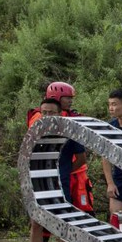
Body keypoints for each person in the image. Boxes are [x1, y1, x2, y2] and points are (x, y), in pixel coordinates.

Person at [28, 98, 86, 242]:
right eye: (44, 112)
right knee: (36, 222)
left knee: (62, 223)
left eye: (51, 112)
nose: (47, 116)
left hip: (60, 185)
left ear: (60, 113)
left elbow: (81, 158)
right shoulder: (34, 132)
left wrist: (66, 171)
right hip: (38, 183)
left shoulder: (70, 131)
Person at [28, 82, 94, 213]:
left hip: (73, 170)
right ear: (56, 97)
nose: (70, 101)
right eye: (67, 98)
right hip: (50, 170)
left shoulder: (71, 116)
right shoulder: (38, 116)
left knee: (81, 209)